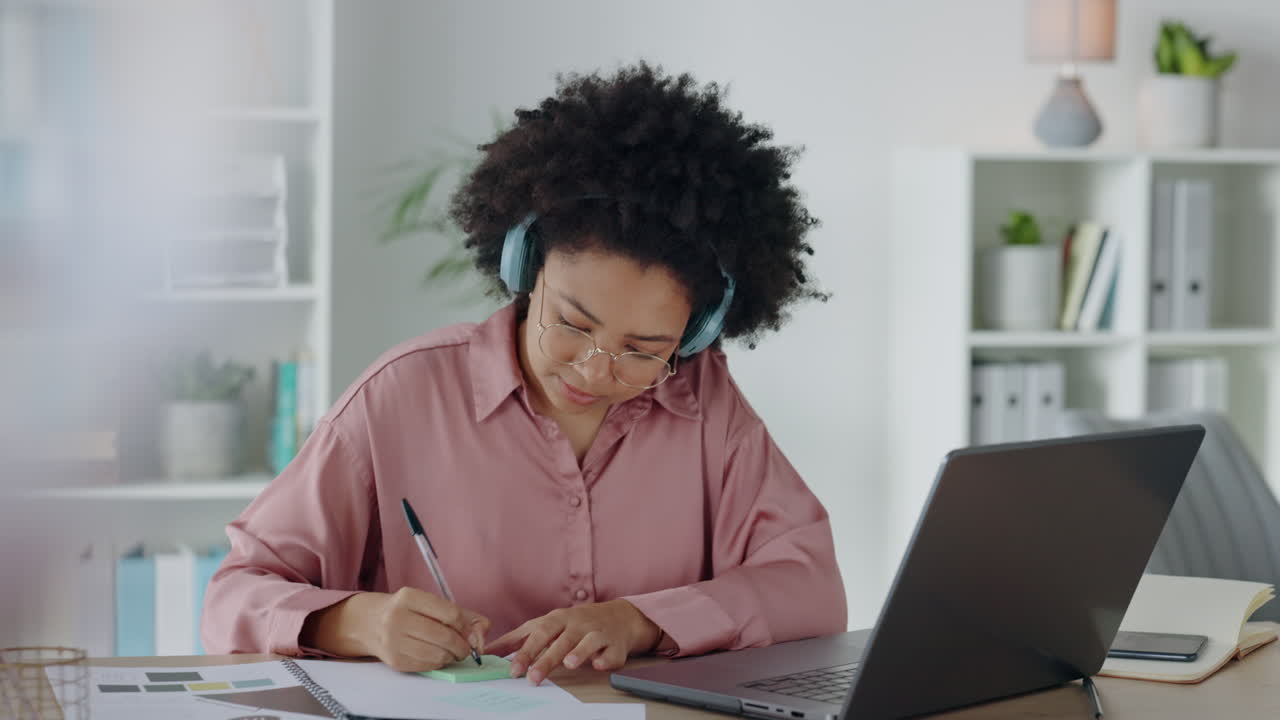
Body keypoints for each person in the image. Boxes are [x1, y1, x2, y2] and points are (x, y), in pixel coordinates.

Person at [202, 62, 846, 686]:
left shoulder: (706, 400)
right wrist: (357, 623)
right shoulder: (402, 395)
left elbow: (809, 590)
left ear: (696, 335)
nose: (595, 369)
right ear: (524, 269)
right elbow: (234, 595)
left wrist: (641, 620)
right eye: (572, 323)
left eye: (644, 349)